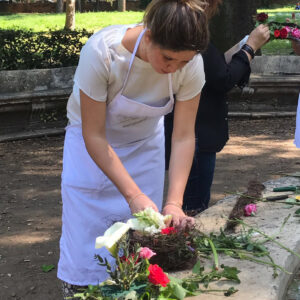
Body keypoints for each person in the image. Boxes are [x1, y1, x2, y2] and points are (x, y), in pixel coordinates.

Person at [57, 0, 209, 297]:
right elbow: (94, 135)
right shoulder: (102, 52)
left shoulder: (191, 65)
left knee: (142, 247)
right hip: (92, 151)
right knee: (86, 247)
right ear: (148, 36)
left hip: (144, 149)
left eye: (183, 62)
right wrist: (133, 193)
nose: (173, 69)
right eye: (168, 58)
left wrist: (174, 202)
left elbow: (182, 136)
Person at [165, 0, 270, 216]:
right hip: (198, 135)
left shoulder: (179, 34)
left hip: (196, 133)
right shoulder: (190, 39)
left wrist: (243, 46)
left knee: (193, 198)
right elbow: (223, 78)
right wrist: (250, 48)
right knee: (194, 206)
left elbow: (216, 66)